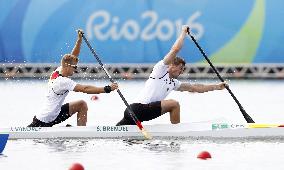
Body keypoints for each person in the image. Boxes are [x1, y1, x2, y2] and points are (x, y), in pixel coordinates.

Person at [116, 25, 227, 126]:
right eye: (181, 69)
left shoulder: (173, 83)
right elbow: (175, 49)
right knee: (174, 104)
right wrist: (183, 32)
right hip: (136, 110)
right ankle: (177, 131)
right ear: (172, 66)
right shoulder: (160, 70)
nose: (182, 72)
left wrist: (217, 86)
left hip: (135, 114)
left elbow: (196, 87)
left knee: (116, 132)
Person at [28, 30, 118, 127]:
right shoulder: (63, 81)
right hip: (44, 120)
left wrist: (79, 40)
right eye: (74, 67)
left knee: (82, 104)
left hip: (55, 114)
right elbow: (85, 89)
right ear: (67, 66)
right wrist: (107, 89)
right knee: (81, 103)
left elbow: (73, 56)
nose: (75, 70)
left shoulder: (58, 70)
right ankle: (76, 132)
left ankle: (81, 133)